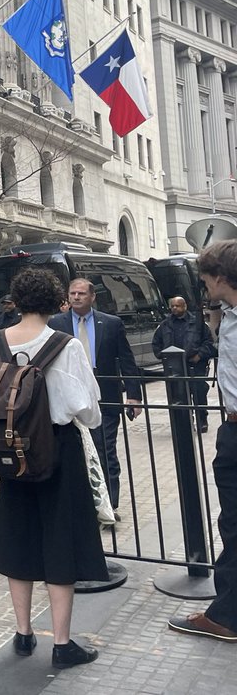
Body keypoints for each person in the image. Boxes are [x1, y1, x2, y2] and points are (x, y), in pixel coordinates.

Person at [0, 268, 108, 668]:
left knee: (18, 537)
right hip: (57, 451)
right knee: (60, 541)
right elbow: (88, 408)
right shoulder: (64, 345)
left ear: (15, 300)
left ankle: (22, 633)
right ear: (56, 302)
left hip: (11, 452)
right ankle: (63, 643)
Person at [170, 240, 237, 642]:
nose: (203, 283)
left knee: (234, 525)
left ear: (222, 276)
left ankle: (227, 617)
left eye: (206, 276)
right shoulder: (227, 316)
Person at [49, 278, 143, 512]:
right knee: (72, 452)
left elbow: (127, 360)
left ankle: (108, 504)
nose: (76, 297)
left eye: (81, 293)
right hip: (68, 397)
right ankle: (80, 503)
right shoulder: (56, 323)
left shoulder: (111, 323)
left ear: (92, 297)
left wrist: (134, 395)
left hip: (105, 397)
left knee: (104, 449)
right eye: (73, 293)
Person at [152, 296, 216, 432]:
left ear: (185, 306)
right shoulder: (165, 325)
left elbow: (209, 343)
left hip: (195, 366)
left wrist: (199, 355)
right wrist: (164, 357)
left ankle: (201, 420)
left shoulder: (197, 323)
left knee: (199, 393)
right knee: (179, 396)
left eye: (178, 306)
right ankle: (185, 424)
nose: (175, 308)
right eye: (173, 306)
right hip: (175, 367)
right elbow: (156, 343)